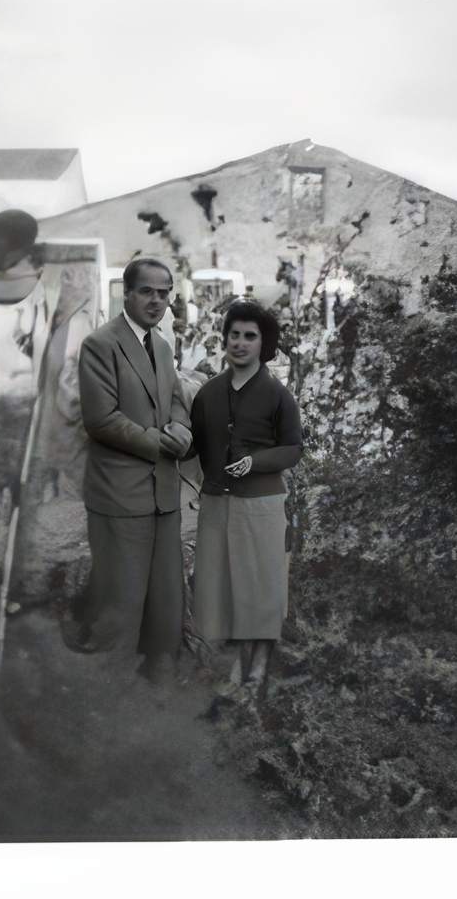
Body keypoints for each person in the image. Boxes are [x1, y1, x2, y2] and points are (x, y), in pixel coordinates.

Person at [73, 258, 192, 682]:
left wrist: (182, 429)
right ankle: (102, 662)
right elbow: (101, 420)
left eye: (164, 293)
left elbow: (176, 399)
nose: (157, 301)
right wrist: (160, 443)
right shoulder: (100, 345)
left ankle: (160, 667)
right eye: (147, 292)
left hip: (162, 486)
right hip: (119, 488)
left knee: (165, 586)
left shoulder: (162, 345)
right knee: (119, 586)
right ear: (126, 294)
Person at [189, 300, 302, 693]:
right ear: (224, 339)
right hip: (217, 505)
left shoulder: (277, 395)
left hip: (261, 505)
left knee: (260, 586)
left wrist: (256, 462)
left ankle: (257, 670)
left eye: (249, 336)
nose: (239, 342)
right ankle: (236, 662)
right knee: (224, 587)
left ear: (262, 343)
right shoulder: (207, 394)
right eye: (234, 335)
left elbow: (293, 449)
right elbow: (193, 445)